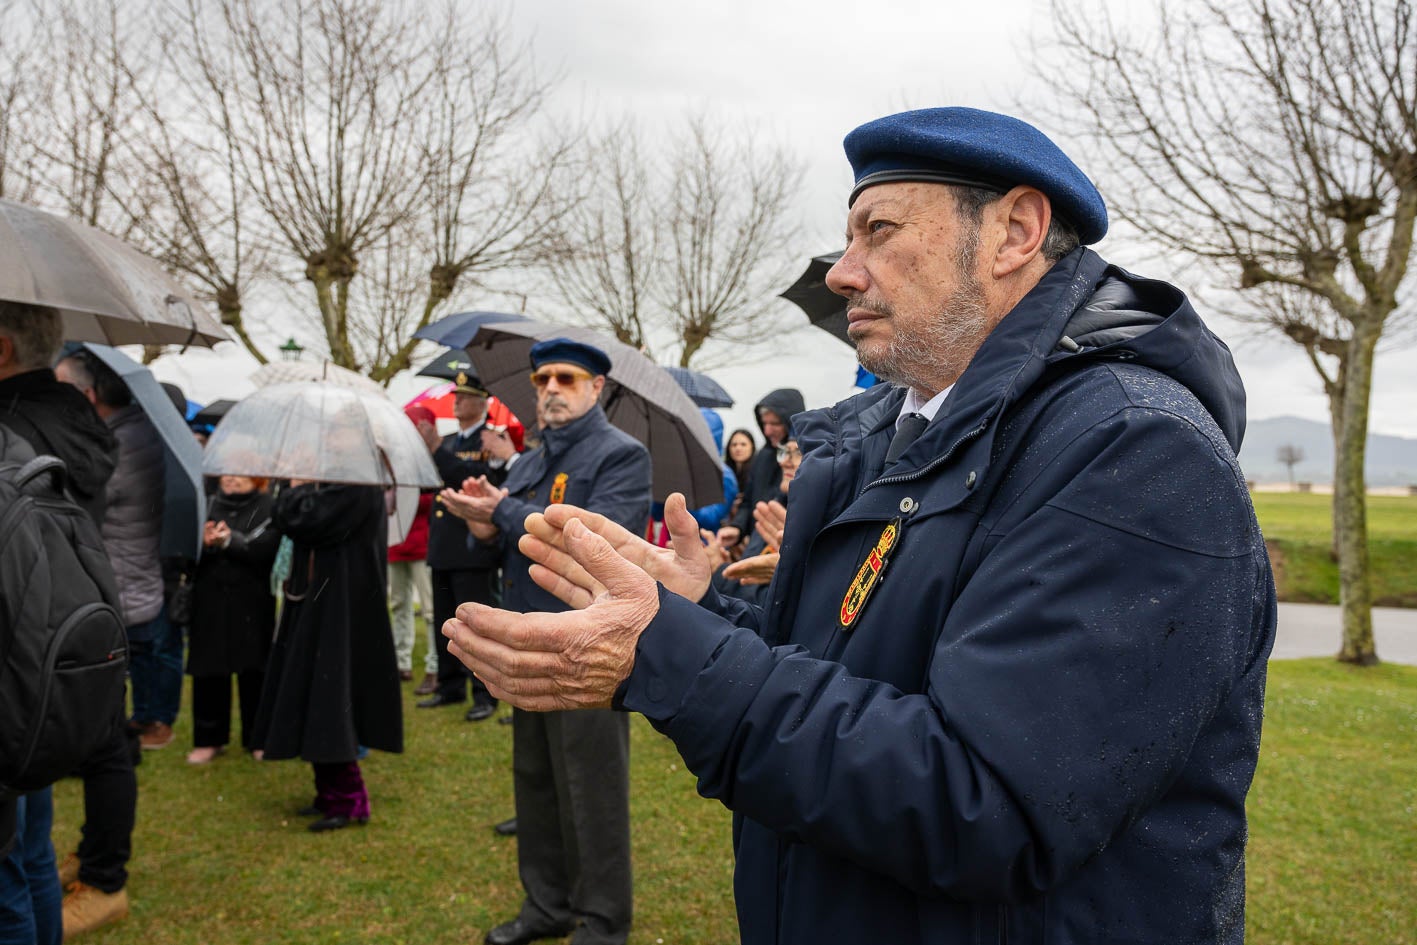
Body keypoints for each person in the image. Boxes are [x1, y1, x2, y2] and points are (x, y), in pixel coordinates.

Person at [444, 107, 1278, 945]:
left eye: (878, 231)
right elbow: (850, 661)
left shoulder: (1130, 449)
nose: (843, 273)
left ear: (1014, 232)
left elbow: (984, 801)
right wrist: (697, 607)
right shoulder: (902, 435)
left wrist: (665, 651)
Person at [440, 338, 649, 945]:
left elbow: (588, 542)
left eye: (565, 378)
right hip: (527, 641)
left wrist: (502, 514)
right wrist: (484, 525)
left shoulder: (621, 456)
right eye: (542, 380)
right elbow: (514, 542)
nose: (551, 389)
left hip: (589, 647)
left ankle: (605, 922)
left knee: (592, 788)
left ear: (596, 387)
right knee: (535, 781)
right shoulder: (529, 462)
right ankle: (547, 907)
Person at [0, 306, 133, 938]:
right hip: (52, 646)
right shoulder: (73, 417)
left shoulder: (14, 426)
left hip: (16, 649)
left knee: (12, 866)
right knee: (28, 849)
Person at [250, 477, 403, 832]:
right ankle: (328, 791)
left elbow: (302, 520)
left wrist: (295, 488)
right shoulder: (338, 482)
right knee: (314, 691)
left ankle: (349, 800)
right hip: (321, 600)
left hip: (340, 605)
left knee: (331, 698)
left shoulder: (359, 485)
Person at [55, 349, 180, 752]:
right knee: (143, 653)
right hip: (134, 566)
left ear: (89, 395)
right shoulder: (136, 430)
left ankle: (141, 726)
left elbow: (85, 498)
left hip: (122, 572)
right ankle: (140, 723)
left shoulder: (119, 444)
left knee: (133, 656)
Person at [414, 374, 510, 720]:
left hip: (473, 546)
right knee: (444, 622)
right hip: (442, 544)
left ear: (483, 402)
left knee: (478, 626)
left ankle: (485, 694)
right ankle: (449, 686)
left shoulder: (493, 441)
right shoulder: (449, 440)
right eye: (455, 396)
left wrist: (438, 450)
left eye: (465, 396)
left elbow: (476, 480)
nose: (457, 402)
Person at [186, 475, 280, 764]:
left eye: (240, 472)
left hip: (252, 599)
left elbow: (267, 549)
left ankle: (258, 737)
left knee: (255, 671)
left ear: (257, 477)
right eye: (228, 471)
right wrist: (201, 543)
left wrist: (230, 542)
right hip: (210, 598)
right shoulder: (207, 503)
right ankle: (209, 738)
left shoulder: (269, 506)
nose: (232, 478)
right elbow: (184, 552)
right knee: (209, 670)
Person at [715, 389, 802, 551]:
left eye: (775, 423)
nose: (767, 430)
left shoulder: (808, 462)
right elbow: (748, 501)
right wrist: (737, 527)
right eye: (764, 423)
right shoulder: (762, 457)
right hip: (754, 546)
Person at [389, 406, 436, 687]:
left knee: (429, 608)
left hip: (423, 542)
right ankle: (401, 660)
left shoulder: (429, 460)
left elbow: (434, 501)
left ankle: (434, 664)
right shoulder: (395, 461)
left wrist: (406, 501)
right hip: (397, 541)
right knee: (398, 603)